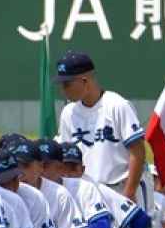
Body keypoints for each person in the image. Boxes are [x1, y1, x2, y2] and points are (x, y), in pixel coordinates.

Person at [54, 52, 149, 206]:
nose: (63, 90)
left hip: (122, 188)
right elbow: (65, 155)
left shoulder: (117, 105)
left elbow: (138, 151)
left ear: (84, 81)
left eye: (67, 84)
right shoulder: (68, 113)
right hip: (89, 194)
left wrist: (129, 192)